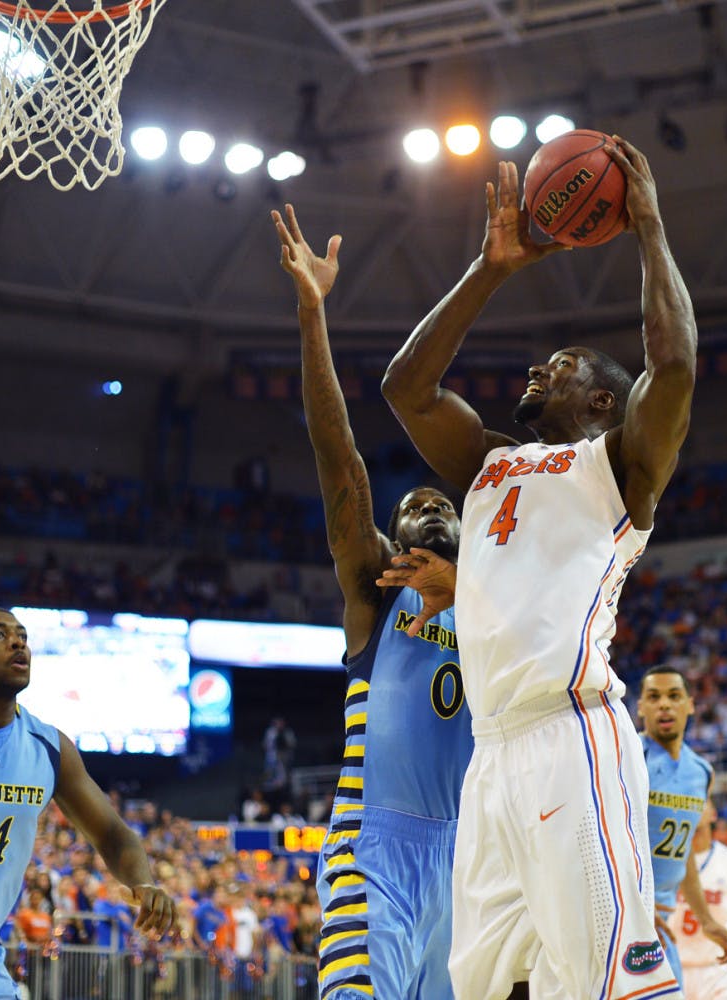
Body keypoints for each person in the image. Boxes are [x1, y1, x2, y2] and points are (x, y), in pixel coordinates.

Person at [379, 137, 705, 998]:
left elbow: (671, 366)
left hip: (572, 735)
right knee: (489, 987)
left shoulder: (619, 465)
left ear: (602, 399)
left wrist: (647, 226)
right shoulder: (487, 464)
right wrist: (490, 269)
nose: (535, 369)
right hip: (490, 756)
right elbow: (404, 388)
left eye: (557, 368)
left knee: (609, 983)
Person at [271, 202, 481, 1000]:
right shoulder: (377, 589)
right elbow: (340, 464)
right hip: (376, 848)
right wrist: (311, 315)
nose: (426, 505)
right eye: (409, 507)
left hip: (471, 856)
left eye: (440, 501)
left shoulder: (494, 601)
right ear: (392, 541)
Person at [0, 605, 176, 1000]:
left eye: (21, 635)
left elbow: (112, 833)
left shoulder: (50, 748)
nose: (18, 641)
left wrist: (142, 881)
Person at [637, 667, 727, 987]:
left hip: (662, 925)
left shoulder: (701, 772)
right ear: (640, 707)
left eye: (674, 696)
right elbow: (603, 844)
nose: (664, 705)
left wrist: (708, 922)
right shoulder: (627, 759)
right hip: (623, 917)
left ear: (691, 704)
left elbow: (683, 859)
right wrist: (631, 906)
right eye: (653, 697)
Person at [670, 798, 727, 1000]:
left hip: (718, 970)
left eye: (700, 803)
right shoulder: (666, 863)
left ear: (713, 814)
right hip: (673, 967)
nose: (693, 808)